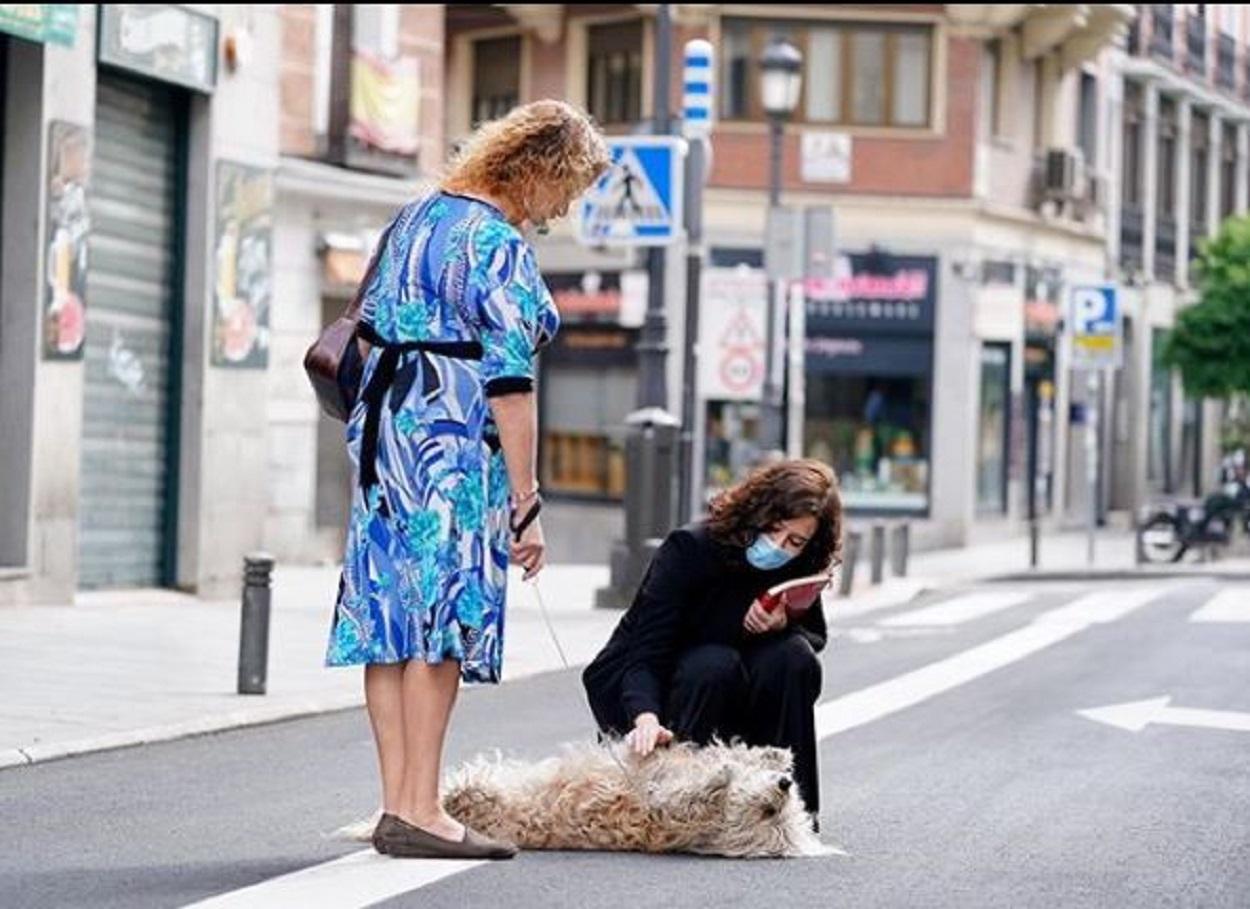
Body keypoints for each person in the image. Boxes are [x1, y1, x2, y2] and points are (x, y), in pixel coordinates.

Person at [324, 101, 610, 860]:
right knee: (441, 624)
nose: (566, 206)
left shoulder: (415, 217)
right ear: (540, 170)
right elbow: (510, 381)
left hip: (386, 441)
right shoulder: (498, 244)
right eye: (570, 188)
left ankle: (397, 802)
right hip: (451, 445)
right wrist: (526, 501)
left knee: (389, 622)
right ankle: (424, 809)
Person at [582, 459, 843, 830]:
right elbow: (645, 653)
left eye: (795, 541)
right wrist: (646, 718)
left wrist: (783, 622)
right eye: (774, 530)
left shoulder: (797, 563)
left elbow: (815, 635)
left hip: (735, 682)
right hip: (659, 683)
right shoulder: (690, 548)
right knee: (713, 664)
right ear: (757, 512)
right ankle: (684, 808)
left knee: (793, 657)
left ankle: (793, 811)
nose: (780, 546)